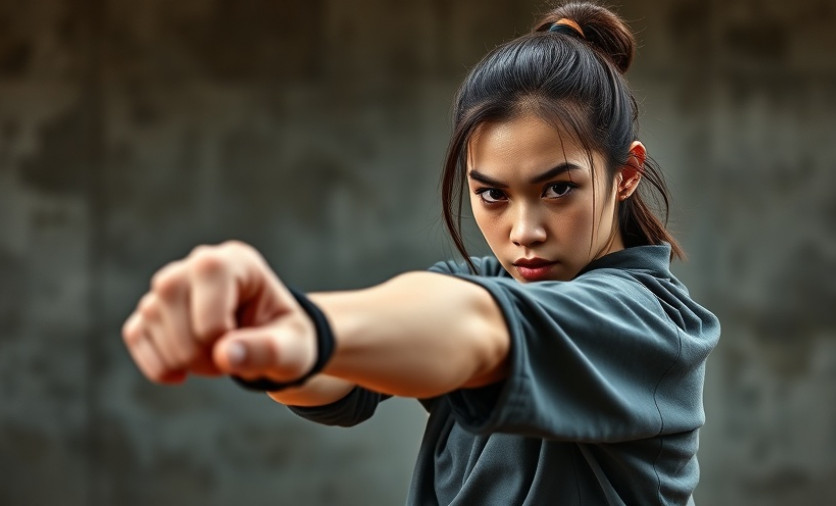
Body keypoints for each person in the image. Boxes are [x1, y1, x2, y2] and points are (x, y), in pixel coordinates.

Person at [121, 2, 720, 504]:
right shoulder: (487, 284)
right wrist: (274, 344)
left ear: (625, 174)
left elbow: (478, 329)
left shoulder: (648, 322)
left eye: (558, 189)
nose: (523, 230)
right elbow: (341, 378)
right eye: (491, 194)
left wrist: (308, 324)